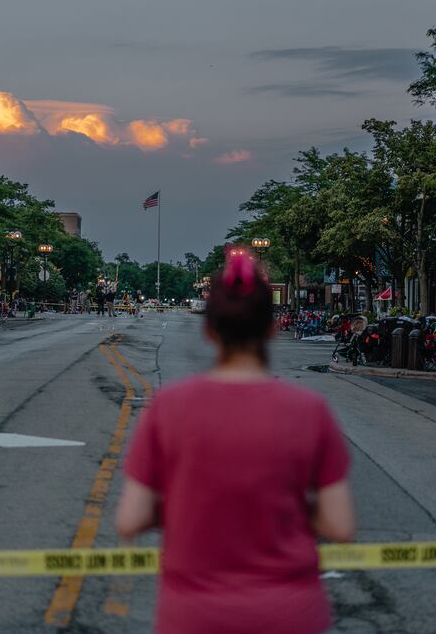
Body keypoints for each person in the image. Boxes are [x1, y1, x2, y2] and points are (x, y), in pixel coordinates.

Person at [116, 251, 355, 633]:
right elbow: (339, 525)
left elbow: (130, 519)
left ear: (209, 330)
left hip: (194, 614)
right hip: (289, 613)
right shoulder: (310, 411)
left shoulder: (169, 408)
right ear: (271, 329)